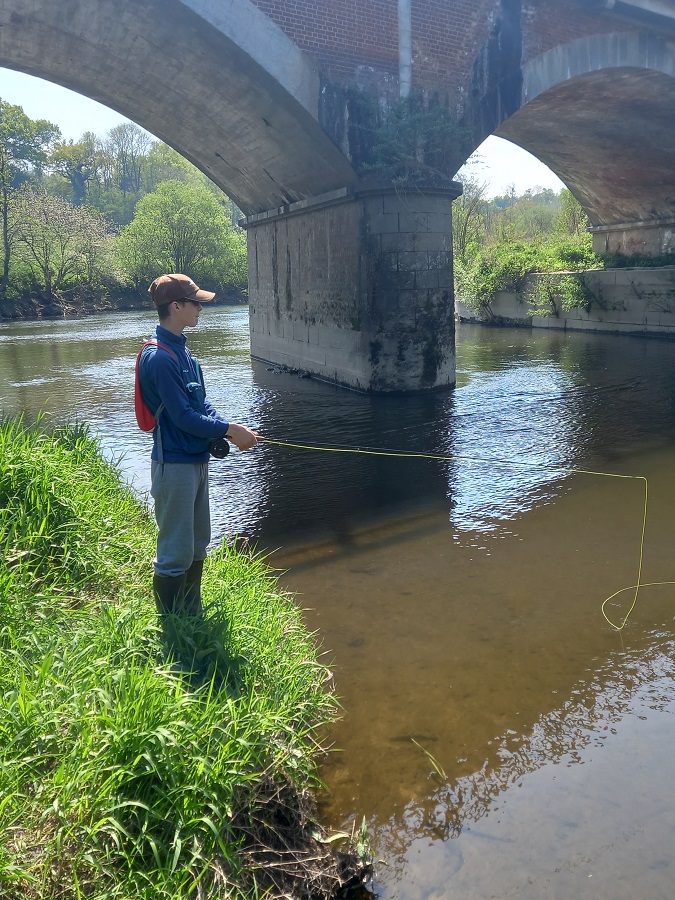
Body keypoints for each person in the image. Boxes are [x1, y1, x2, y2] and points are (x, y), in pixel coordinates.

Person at [138, 273, 258, 621]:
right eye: (196, 303)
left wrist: (229, 431)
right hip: (173, 465)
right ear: (176, 306)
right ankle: (173, 626)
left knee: (197, 541)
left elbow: (201, 407)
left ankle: (192, 615)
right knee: (175, 548)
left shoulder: (183, 351)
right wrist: (230, 429)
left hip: (195, 461)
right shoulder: (159, 358)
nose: (201, 308)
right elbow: (183, 417)